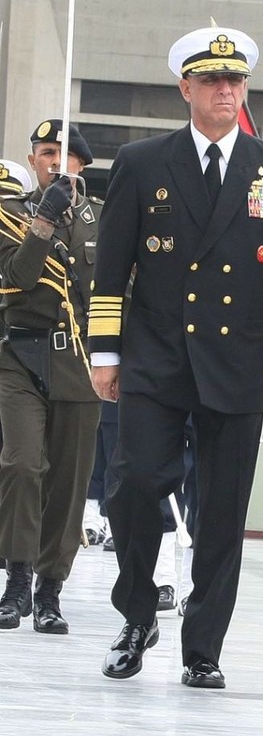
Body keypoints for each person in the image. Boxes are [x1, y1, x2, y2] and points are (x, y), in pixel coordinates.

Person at [88, 26, 263, 689]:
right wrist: (105, 352)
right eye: (213, 79)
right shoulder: (142, 163)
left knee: (221, 511)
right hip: (156, 358)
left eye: (236, 79)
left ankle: (204, 647)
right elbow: (111, 271)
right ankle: (137, 615)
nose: (226, 89)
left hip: (238, 363)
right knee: (132, 485)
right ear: (185, 87)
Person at [0, 122, 101, 635]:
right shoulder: (12, 215)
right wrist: (43, 219)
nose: (54, 162)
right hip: (21, 355)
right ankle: (16, 578)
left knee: (70, 479)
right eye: (45, 153)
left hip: (81, 363)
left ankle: (50, 589)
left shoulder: (103, 221)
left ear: (81, 163)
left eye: (64, 154)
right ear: (33, 159)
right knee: (21, 463)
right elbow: (16, 275)